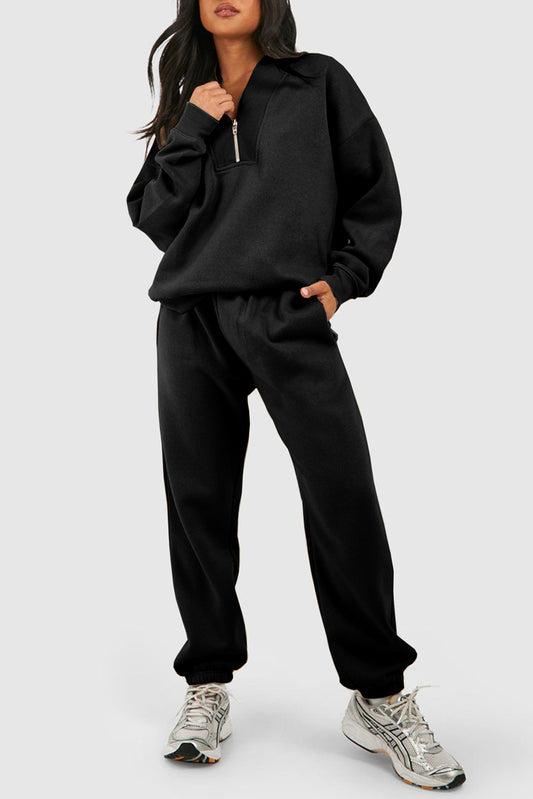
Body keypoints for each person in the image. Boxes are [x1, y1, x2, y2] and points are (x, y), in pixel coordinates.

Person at [126, 0, 465, 789]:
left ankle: (378, 695)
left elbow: (373, 191)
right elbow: (154, 217)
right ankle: (206, 683)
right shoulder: (186, 103)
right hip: (192, 319)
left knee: (342, 494)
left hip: (287, 313)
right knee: (199, 501)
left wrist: (344, 279)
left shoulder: (318, 83)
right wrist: (192, 128)